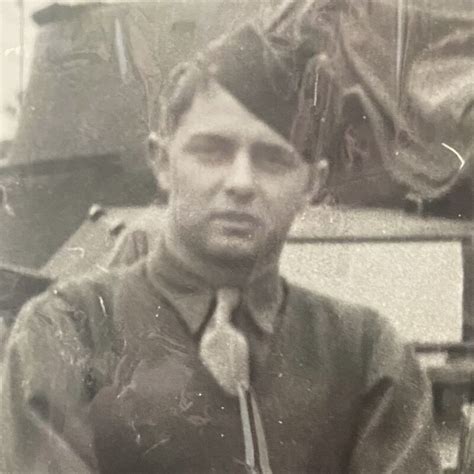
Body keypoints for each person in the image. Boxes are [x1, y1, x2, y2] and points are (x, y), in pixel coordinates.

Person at [1, 21, 441, 473]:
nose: (241, 183)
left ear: (313, 183)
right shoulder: (67, 331)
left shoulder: (368, 357)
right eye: (212, 151)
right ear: (162, 162)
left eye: (273, 159)